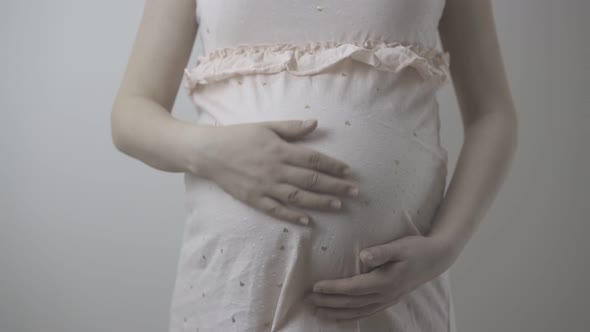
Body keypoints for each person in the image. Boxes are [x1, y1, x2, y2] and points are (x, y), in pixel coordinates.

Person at [111, 0, 517, 331]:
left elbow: (492, 114)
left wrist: (446, 246)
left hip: (392, 301)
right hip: (229, 294)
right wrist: (211, 151)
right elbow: (130, 114)